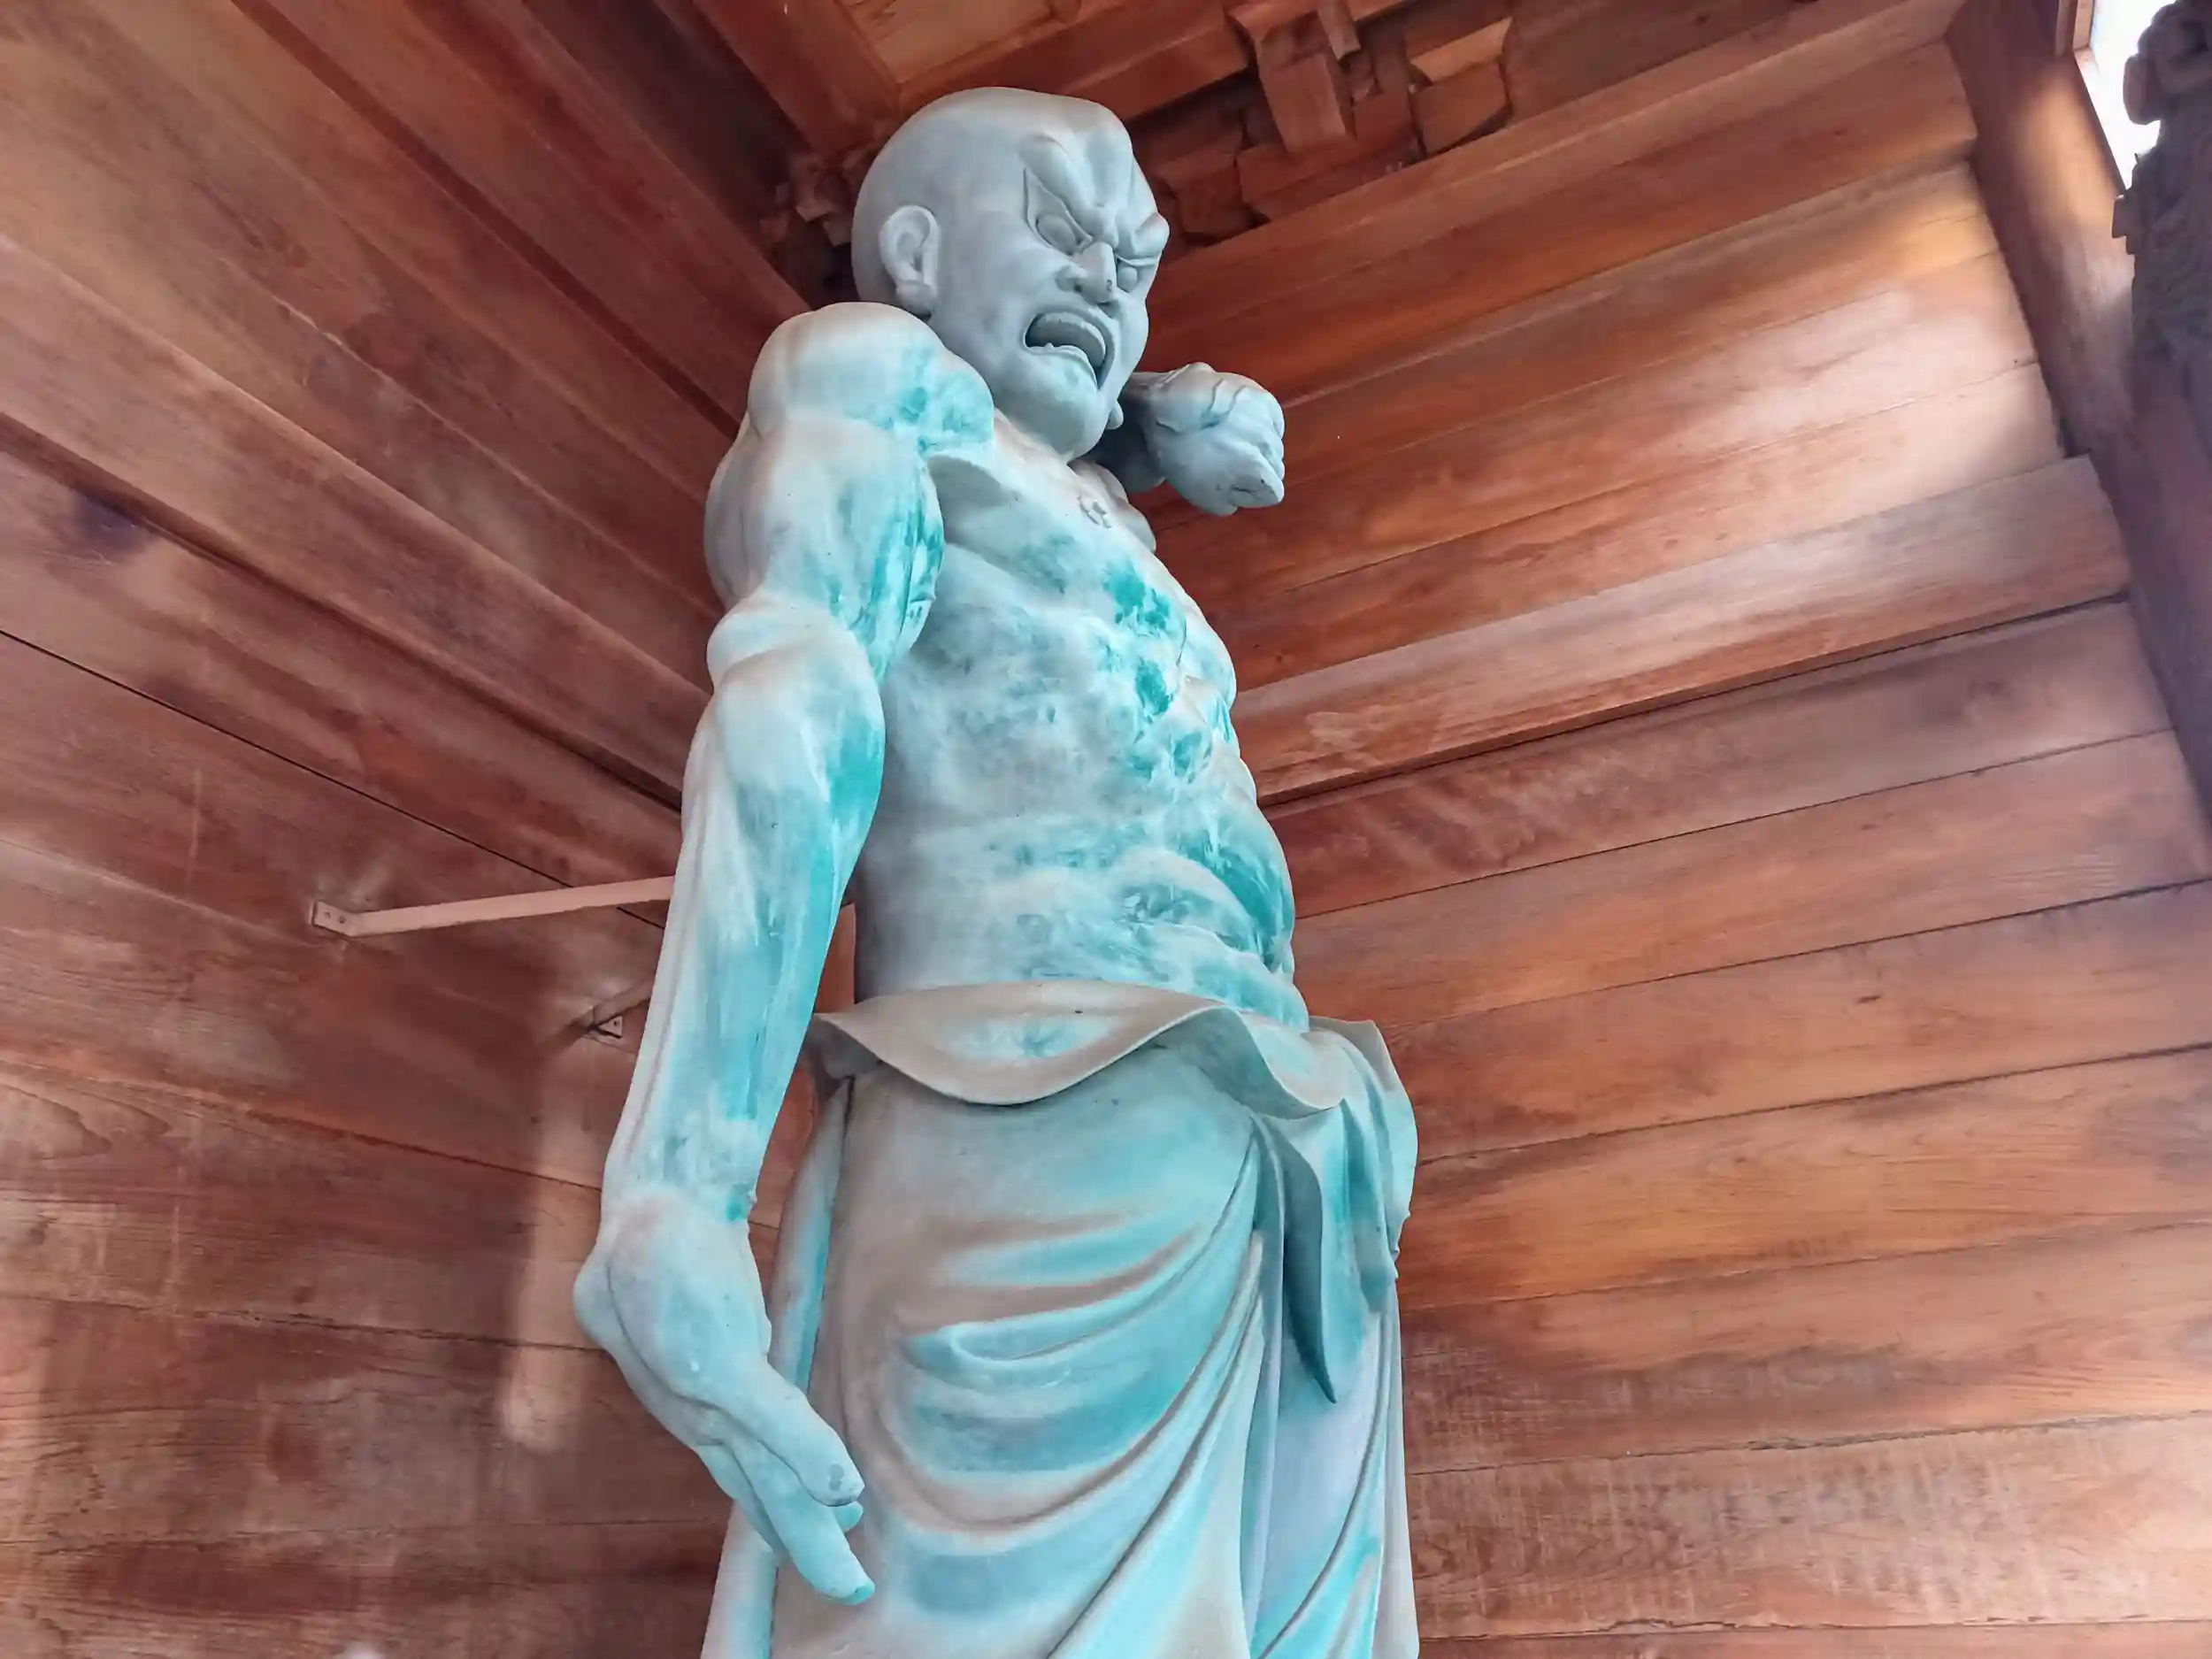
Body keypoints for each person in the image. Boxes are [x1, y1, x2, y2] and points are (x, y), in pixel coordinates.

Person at [575, 87, 1418, 1659]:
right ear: (910, 254)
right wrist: (678, 1192)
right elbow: (800, 696)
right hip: (1028, 1149)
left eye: (1136, 262)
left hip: (1278, 1163)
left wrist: (1137, 421)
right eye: (1060, 226)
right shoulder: (867, 375)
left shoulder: (1085, 505)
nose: (1107, 276)